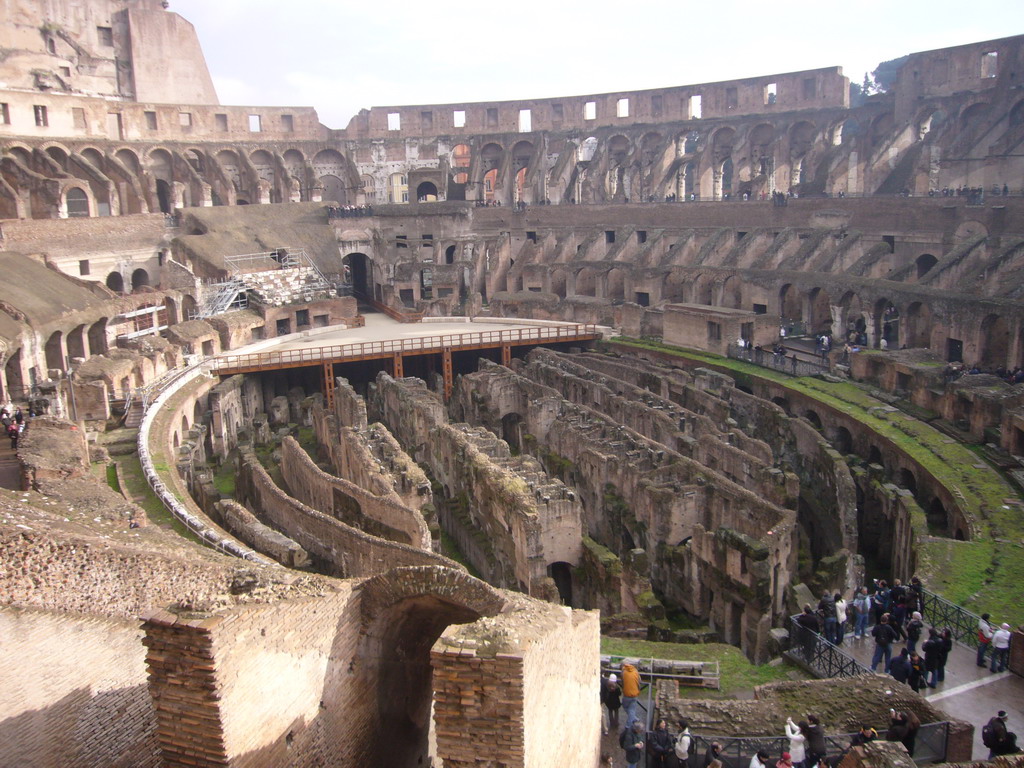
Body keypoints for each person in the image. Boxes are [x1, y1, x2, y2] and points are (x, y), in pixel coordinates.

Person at [621, 661, 641, 726]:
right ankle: (634, 718)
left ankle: (628, 726)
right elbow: (639, 681)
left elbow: (623, 682)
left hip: (626, 694)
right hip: (635, 694)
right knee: (631, 710)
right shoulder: (636, 672)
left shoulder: (623, 672)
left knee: (627, 708)